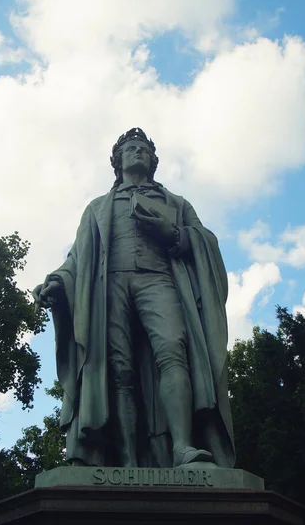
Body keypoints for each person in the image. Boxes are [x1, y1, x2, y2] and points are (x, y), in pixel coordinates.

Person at [33, 128, 235, 468]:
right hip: (110, 286)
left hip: (160, 281)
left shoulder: (176, 203)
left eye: (143, 149)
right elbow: (77, 259)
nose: (138, 152)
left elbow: (205, 241)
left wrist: (173, 233)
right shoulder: (98, 208)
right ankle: (125, 460)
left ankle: (182, 447)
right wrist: (57, 282)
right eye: (131, 148)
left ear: (153, 161)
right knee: (119, 370)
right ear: (117, 161)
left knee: (174, 352)